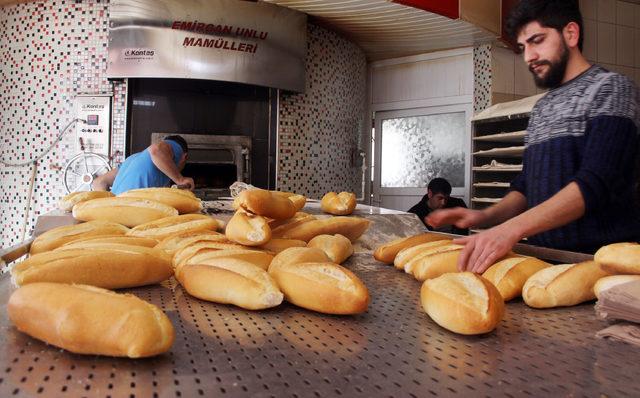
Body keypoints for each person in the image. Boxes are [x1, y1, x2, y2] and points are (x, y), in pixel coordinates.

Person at [427, 0, 640, 274]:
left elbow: (596, 183)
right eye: (523, 47)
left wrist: (510, 230)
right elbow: (528, 186)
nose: (528, 56)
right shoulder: (543, 107)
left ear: (571, 34)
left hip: (602, 264)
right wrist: (484, 217)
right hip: (546, 260)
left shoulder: (611, 89)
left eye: (537, 41)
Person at [92, 135, 195, 194]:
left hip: (115, 215)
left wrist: (107, 205)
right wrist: (180, 179)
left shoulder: (132, 159)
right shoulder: (176, 148)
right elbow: (156, 150)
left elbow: (99, 182)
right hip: (132, 212)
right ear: (185, 157)